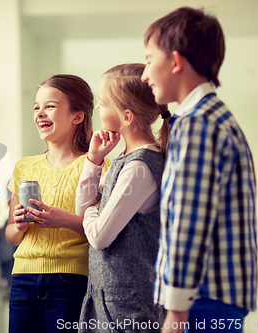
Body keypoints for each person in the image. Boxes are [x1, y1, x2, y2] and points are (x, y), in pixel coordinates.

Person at [141, 7, 257, 332]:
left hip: (200, 300)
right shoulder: (214, 118)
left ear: (175, 62)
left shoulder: (197, 125)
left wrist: (176, 312)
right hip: (215, 295)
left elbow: (188, 221)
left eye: (149, 60)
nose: (144, 74)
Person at [5, 74, 110, 333]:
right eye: (36, 107)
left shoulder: (97, 165)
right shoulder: (23, 166)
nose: (40, 113)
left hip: (71, 281)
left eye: (50, 106)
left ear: (77, 116)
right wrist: (19, 225)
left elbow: (106, 233)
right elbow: (10, 236)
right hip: (22, 281)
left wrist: (65, 220)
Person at [75, 63, 168, 332]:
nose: (98, 109)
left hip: (126, 302)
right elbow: (83, 209)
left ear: (126, 117)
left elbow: (99, 236)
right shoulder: (123, 160)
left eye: (102, 103)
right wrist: (94, 160)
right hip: (105, 295)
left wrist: (93, 208)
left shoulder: (140, 167)